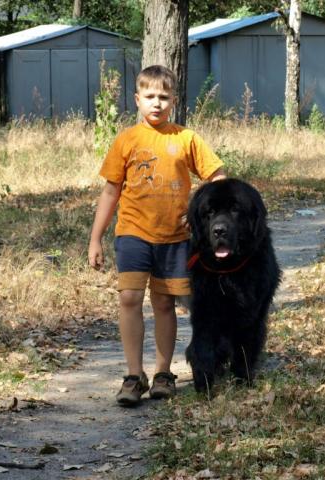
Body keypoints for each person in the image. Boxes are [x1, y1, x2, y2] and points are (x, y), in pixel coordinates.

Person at [87, 65, 225, 406]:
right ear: (137, 100)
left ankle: (163, 374)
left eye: (164, 97)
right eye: (149, 97)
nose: (156, 103)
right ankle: (134, 376)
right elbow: (110, 192)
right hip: (133, 233)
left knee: (165, 303)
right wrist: (95, 239)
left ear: (173, 101)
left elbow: (218, 176)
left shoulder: (186, 139)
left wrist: (206, 214)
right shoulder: (127, 140)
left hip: (176, 238)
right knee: (130, 299)